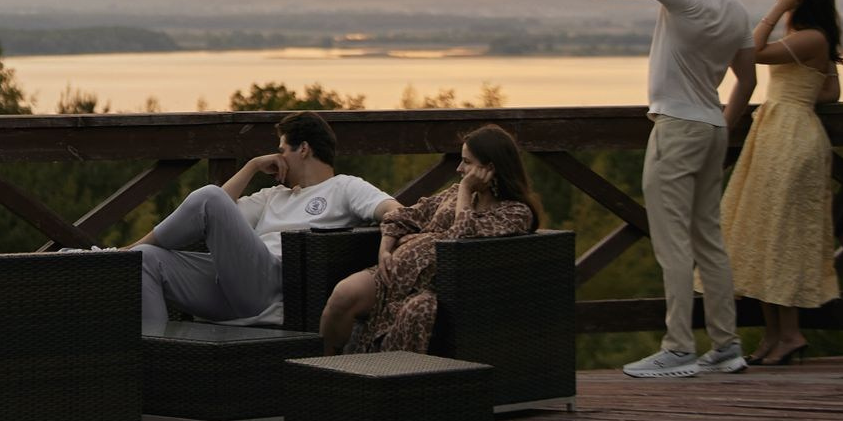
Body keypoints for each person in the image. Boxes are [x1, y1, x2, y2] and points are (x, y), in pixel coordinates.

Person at [615, 0, 755, 379]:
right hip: (712, 126)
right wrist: (720, 124)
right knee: (708, 241)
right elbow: (748, 81)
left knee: (673, 241)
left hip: (676, 127)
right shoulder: (735, 8)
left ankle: (678, 348)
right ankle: (726, 345)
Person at [131, 110, 392, 331]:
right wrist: (252, 166)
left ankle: (121, 253)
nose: (278, 157)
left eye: (282, 150)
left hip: (273, 288)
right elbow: (213, 213)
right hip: (233, 287)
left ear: (303, 149)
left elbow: (394, 210)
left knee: (209, 196)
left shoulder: (344, 187)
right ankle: (150, 356)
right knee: (146, 258)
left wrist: (389, 241)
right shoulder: (273, 196)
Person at [320, 123, 540, 354]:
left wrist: (466, 189)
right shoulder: (454, 194)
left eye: (466, 162)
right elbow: (403, 216)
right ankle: (326, 368)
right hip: (393, 274)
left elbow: (462, 236)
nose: (459, 169)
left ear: (489, 168)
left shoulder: (514, 212)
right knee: (343, 295)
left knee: (416, 311)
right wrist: (384, 250)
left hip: (438, 288)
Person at [722, 0, 843, 366]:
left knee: (782, 237)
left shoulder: (811, 36)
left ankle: (789, 334)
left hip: (791, 137)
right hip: (777, 132)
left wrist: (776, 10)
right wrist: (801, 90)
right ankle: (775, 335)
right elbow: (831, 93)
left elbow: (751, 51)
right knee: (763, 234)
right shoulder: (807, 37)